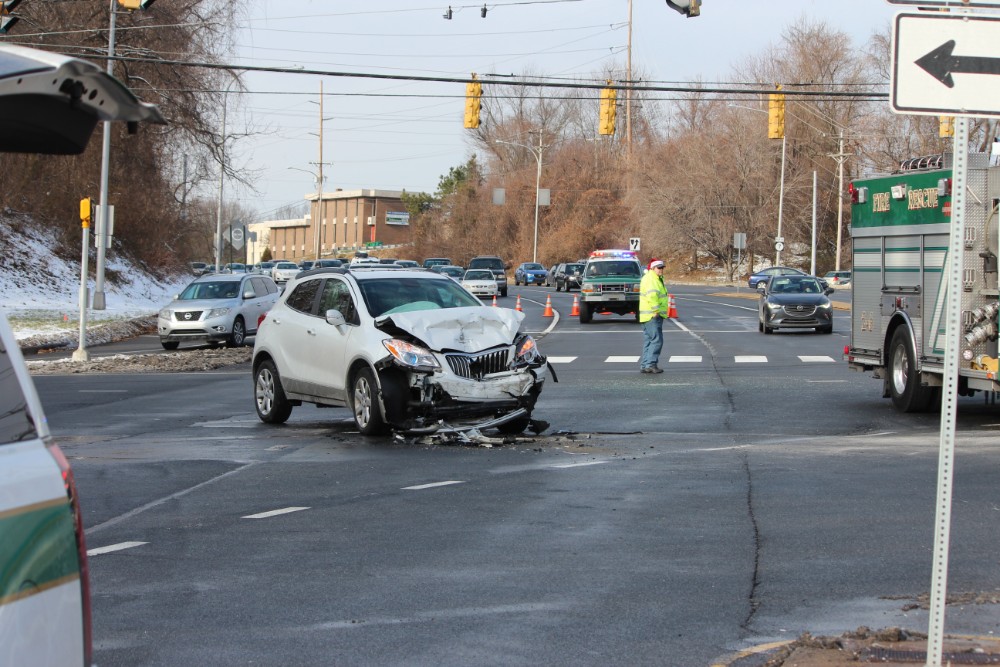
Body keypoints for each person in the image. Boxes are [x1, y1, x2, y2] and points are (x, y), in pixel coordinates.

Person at [638, 258, 670, 374]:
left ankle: (645, 365)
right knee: (657, 340)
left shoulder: (654, 278)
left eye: (662, 267)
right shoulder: (652, 279)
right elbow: (652, 296)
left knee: (649, 340)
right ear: (652, 268)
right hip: (652, 315)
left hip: (648, 315)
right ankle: (651, 364)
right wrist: (656, 310)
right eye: (659, 268)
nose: (661, 270)